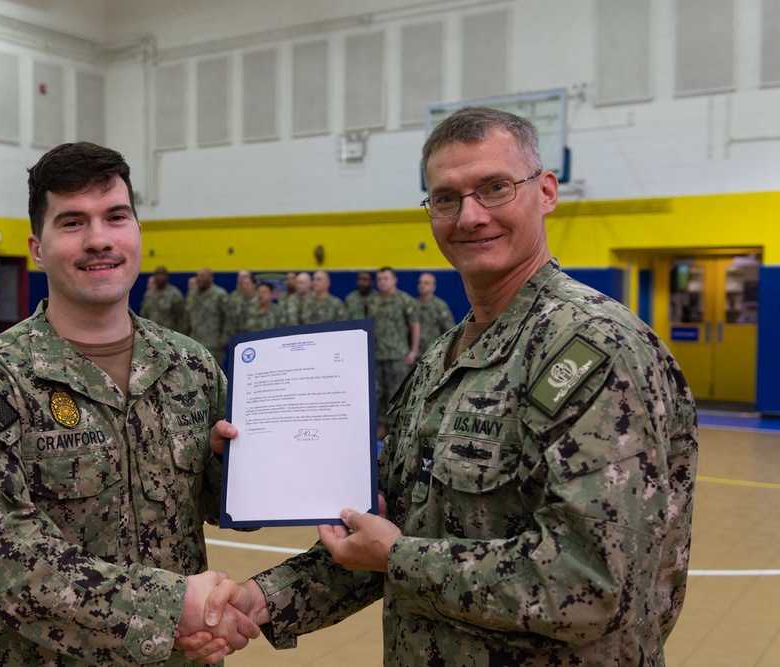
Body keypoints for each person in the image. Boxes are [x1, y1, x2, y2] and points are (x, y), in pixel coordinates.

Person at [182, 106, 698, 666]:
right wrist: (261, 600)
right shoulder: (443, 362)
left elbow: (590, 582)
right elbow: (391, 532)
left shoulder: (595, 350)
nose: (469, 216)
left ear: (546, 191)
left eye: (495, 188)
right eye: (446, 199)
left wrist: (399, 557)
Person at [0, 143, 259, 665]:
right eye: (73, 222)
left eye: (116, 217)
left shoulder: (189, 366)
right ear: (37, 247)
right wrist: (169, 608)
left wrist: (226, 462)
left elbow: (221, 506)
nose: (100, 239)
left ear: (138, 232)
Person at [368, 266, 420, 440]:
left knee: (396, 393)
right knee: (378, 393)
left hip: (398, 355)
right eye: (379, 279)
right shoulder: (372, 301)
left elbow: (415, 325)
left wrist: (413, 350)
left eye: (385, 278)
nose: (382, 282)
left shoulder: (404, 300)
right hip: (377, 355)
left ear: (394, 280)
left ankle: (396, 428)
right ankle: (382, 425)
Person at [186, 267, 231, 367]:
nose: (199, 278)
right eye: (198, 275)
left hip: (213, 345)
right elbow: (186, 318)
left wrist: (224, 340)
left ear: (210, 278)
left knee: (213, 376)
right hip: (194, 343)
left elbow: (228, 318)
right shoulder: (192, 294)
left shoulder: (220, 294)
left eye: (203, 276)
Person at [415, 272, 455, 355]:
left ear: (433, 287)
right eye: (420, 282)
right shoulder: (413, 304)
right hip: (416, 354)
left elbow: (449, 330)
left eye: (426, 283)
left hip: (434, 353)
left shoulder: (440, 306)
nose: (422, 285)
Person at [140, 265, 187, 333]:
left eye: (161, 274)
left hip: (170, 336)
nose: (159, 277)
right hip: (152, 335)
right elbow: (143, 316)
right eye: (157, 274)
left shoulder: (174, 294)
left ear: (167, 276)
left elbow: (182, 318)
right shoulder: (148, 294)